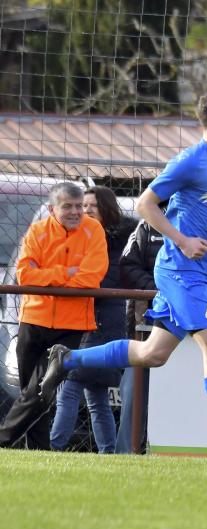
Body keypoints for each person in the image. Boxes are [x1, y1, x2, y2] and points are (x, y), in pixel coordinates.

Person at [38, 89, 207, 459]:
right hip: (179, 270)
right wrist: (182, 240)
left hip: (197, 272)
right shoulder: (189, 161)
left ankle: (67, 359)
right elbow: (145, 205)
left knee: (153, 353)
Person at [115, 215, 207, 454]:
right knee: (135, 395)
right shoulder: (148, 226)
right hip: (150, 324)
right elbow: (127, 267)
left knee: (191, 397)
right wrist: (167, 291)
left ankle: (200, 451)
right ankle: (126, 453)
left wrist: (195, 296)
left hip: (201, 329)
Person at [0, 182, 107, 449]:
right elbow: (25, 275)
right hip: (33, 321)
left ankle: (3, 439)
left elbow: (91, 277)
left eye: (79, 206)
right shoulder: (37, 231)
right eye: (67, 206)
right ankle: (38, 449)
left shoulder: (94, 230)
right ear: (51, 209)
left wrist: (46, 277)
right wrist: (65, 274)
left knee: (41, 388)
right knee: (32, 392)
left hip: (71, 326)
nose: (76, 212)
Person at [49, 186, 137, 453]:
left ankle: (54, 446)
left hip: (102, 321)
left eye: (90, 206)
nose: (84, 211)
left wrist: (69, 279)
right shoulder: (83, 238)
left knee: (71, 384)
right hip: (86, 319)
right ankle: (108, 451)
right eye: (81, 205)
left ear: (106, 209)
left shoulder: (115, 244)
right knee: (96, 395)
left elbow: (102, 282)